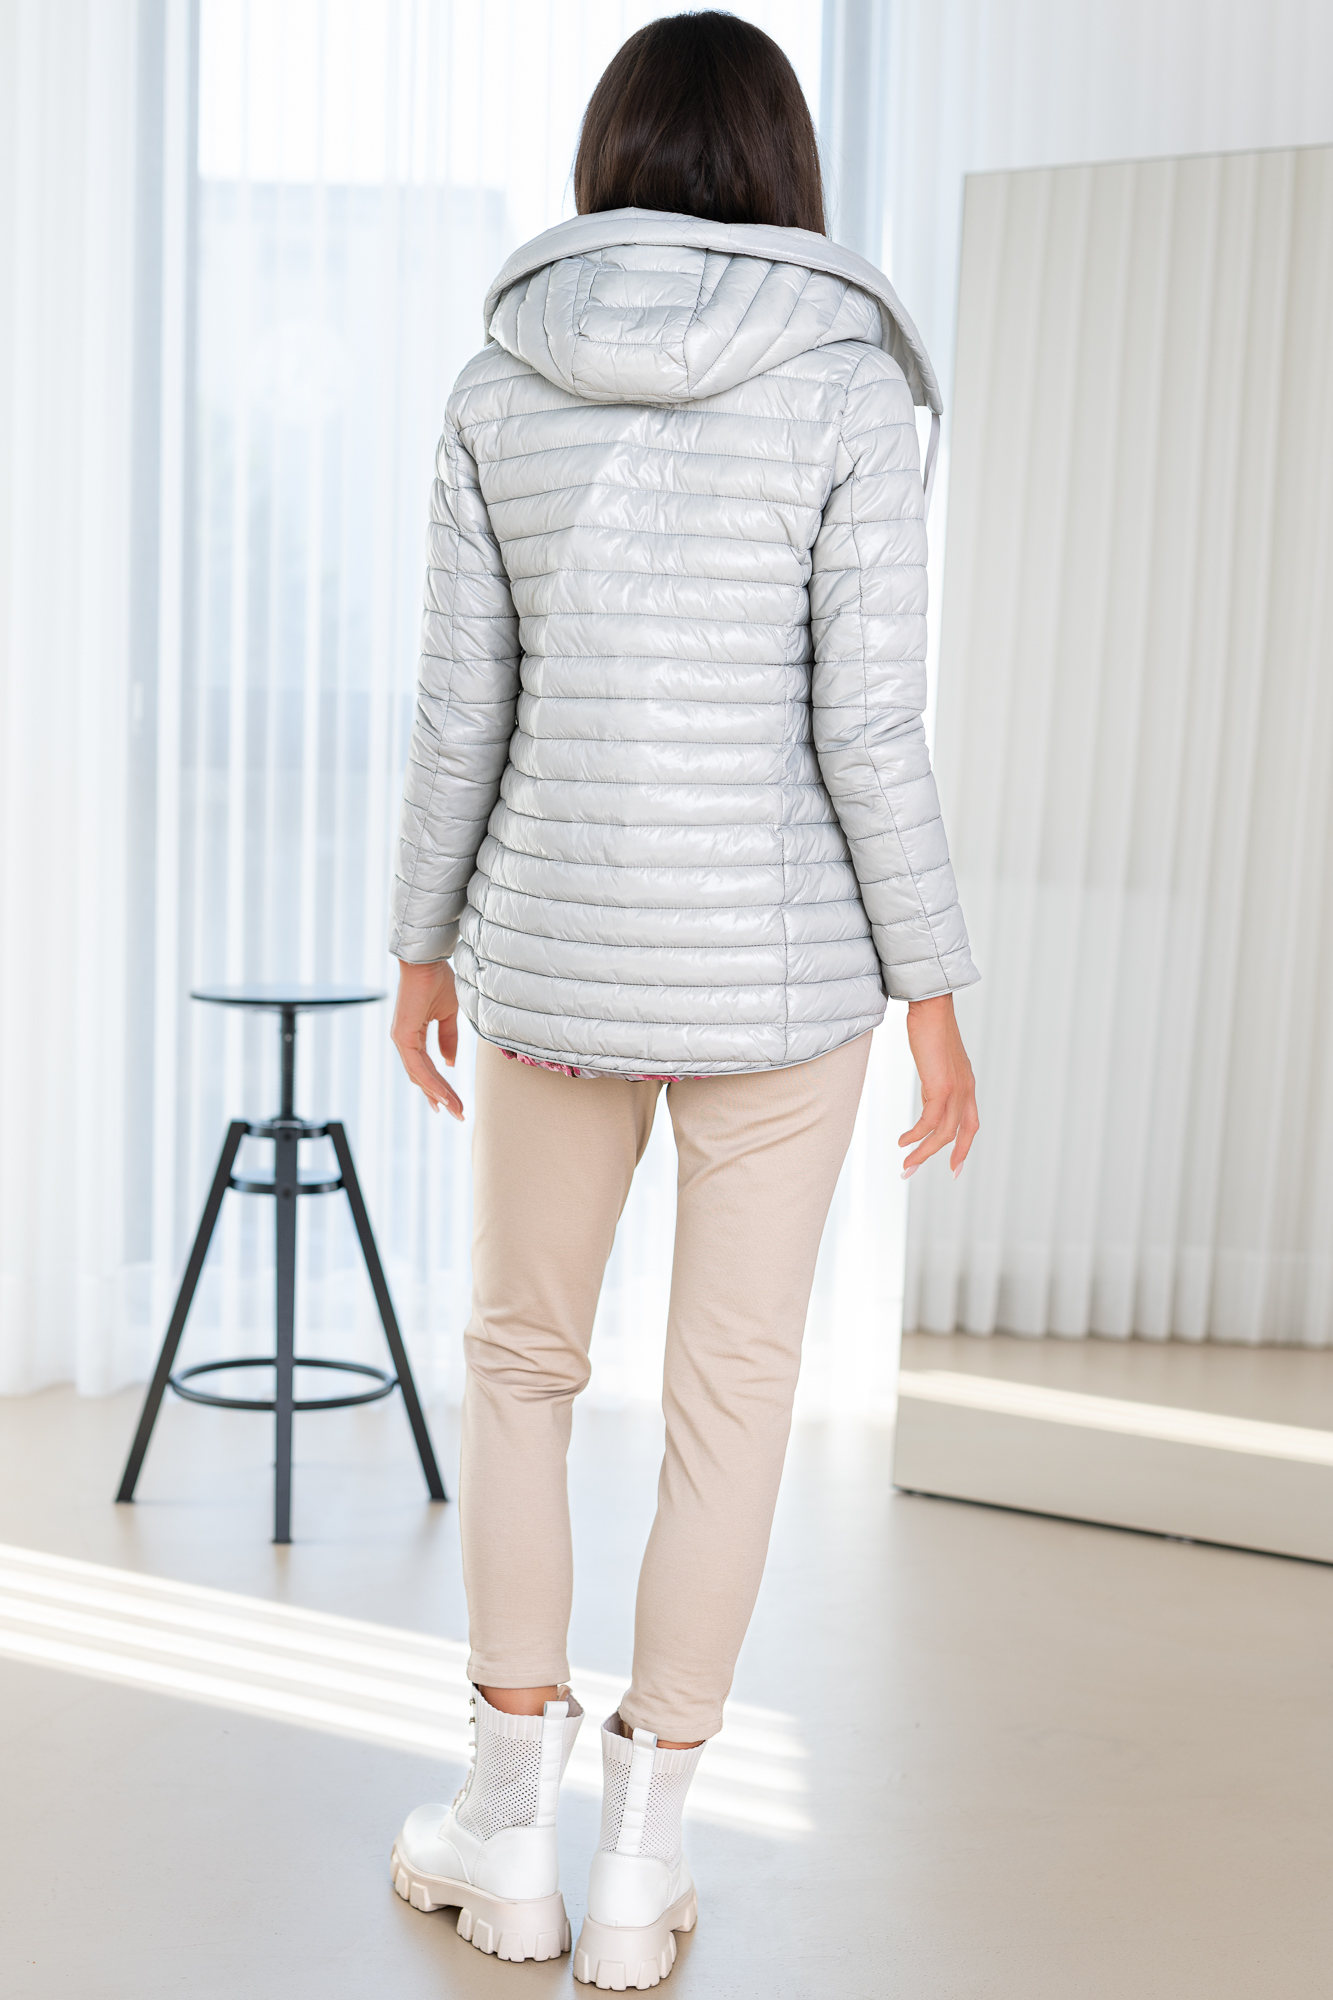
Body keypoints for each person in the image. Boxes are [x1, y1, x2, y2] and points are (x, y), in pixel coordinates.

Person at [385, 10, 978, 1985]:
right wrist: (933, 993)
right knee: (730, 1400)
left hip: (549, 959)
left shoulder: (498, 382)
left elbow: (461, 709)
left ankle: (505, 1834)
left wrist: (418, 944)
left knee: (521, 1370)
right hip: (783, 986)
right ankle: (640, 1864)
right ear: (783, 167)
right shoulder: (848, 387)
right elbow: (867, 728)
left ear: (609, 154)